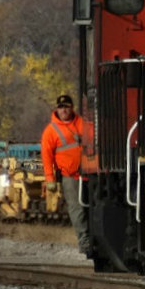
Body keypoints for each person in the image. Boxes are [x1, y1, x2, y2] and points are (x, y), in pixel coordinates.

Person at [41, 93, 91, 256]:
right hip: (70, 176)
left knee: (89, 208)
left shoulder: (81, 123)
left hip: (88, 174)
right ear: (57, 109)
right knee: (77, 210)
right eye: (61, 107)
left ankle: (94, 239)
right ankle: (84, 241)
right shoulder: (50, 131)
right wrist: (50, 179)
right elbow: (47, 156)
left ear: (72, 108)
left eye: (67, 107)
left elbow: (92, 137)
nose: (64, 110)